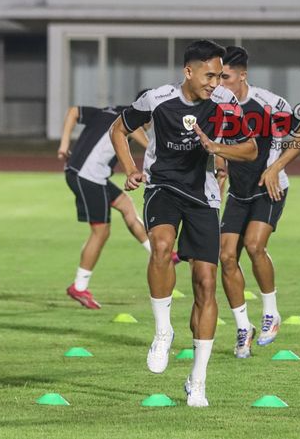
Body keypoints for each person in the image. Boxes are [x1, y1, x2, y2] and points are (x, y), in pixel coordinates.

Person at [110, 40, 257, 407]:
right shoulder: (157, 100)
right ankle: (163, 331)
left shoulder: (226, 103)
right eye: (209, 74)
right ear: (188, 72)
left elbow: (251, 148)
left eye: (220, 75)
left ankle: (198, 380)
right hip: (162, 187)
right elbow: (118, 129)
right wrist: (130, 168)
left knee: (206, 285)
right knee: (160, 247)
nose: (215, 82)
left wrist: (217, 149)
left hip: (203, 196)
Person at [216, 46, 300, 357]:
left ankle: (271, 312)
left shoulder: (267, 104)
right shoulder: (215, 104)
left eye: (225, 77)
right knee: (226, 256)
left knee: (255, 246)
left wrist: (276, 167)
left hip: (270, 188)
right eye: (216, 76)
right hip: (238, 192)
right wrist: (219, 169)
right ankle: (243, 327)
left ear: (242, 76)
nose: (219, 83)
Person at [58, 96, 152, 309]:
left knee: (126, 205)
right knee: (101, 231)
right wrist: (154, 148)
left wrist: (64, 145)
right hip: (87, 176)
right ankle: (79, 287)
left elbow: (74, 110)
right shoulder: (128, 118)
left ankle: (159, 254)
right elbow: (133, 127)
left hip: (90, 175)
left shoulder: (107, 111)